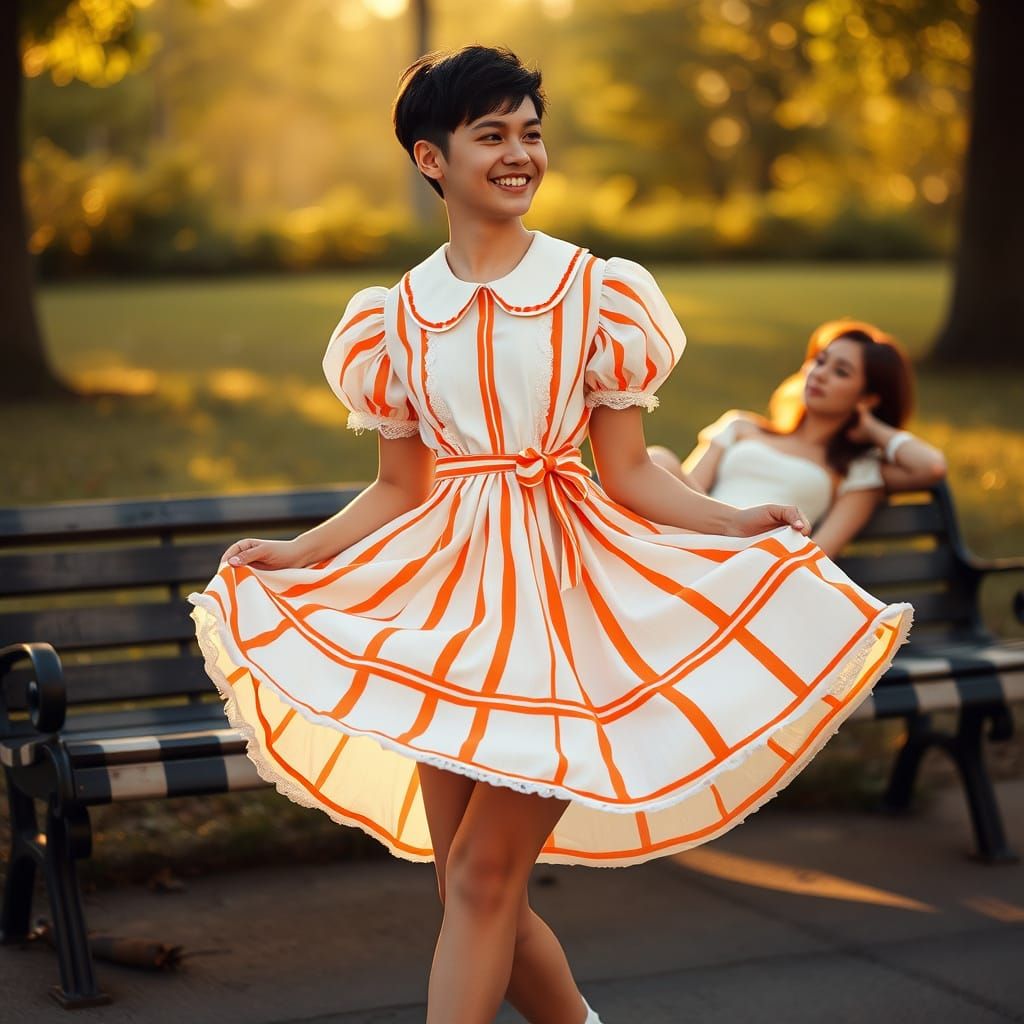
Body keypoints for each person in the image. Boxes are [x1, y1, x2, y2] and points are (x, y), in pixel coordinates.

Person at [187, 45, 913, 1024]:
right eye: (491, 135)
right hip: (448, 608)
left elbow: (626, 469)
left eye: (530, 132)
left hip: (562, 607)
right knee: (465, 887)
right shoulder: (396, 315)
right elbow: (399, 487)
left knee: (486, 877)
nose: (519, 153)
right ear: (430, 157)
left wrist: (731, 520)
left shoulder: (593, 290)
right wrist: (300, 552)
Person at [646, 320, 948, 557]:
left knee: (657, 462)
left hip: (760, 559)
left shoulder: (856, 470)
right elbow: (682, 497)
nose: (819, 374)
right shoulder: (741, 426)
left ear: (868, 397)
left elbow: (931, 467)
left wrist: (872, 428)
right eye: (820, 361)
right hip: (699, 534)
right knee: (658, 462)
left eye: (840, 372)